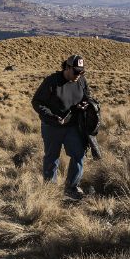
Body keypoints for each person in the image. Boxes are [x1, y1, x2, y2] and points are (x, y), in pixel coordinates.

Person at [31, 54, 92, 198]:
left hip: (73, 126)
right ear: (67, 68)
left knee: (78, 155)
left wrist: (85, 104)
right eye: (76, 71)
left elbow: (87, 97)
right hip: (52, 127)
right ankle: (50, 191)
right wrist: (52, 117)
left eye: (81, 72)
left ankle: (72, 187)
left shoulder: (81, 81)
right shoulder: (52, 81)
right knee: (52, 158)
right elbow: (37, 102)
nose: (79, 75)